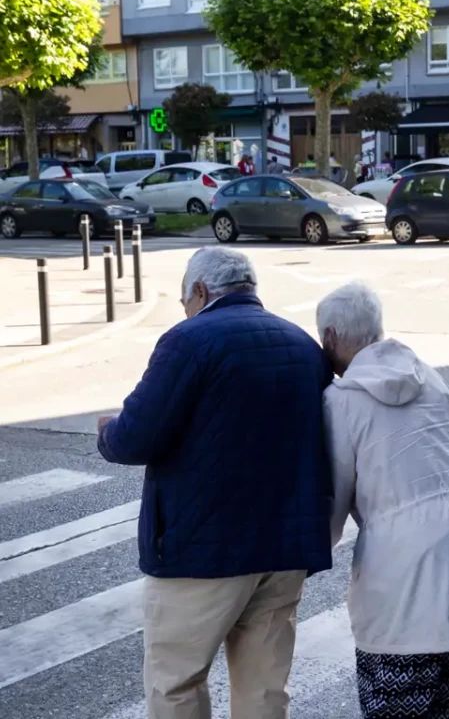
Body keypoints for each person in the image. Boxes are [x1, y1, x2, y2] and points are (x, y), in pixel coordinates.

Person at [97, 247, 333, 719]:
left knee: (177, 682)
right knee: (264, 691)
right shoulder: (302, 345)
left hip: (203, 553)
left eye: (186, 301)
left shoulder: (189, 340)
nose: (184, 311)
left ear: (200, 292)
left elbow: (136, 438)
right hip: (284, 549)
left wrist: (108, 431)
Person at [317, 282, 449, 719]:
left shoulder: (341, 401)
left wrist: (304, 554)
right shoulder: (427, 375)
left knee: (398, 703)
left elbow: (333, 500)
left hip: (406, 568)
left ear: (330, 338)